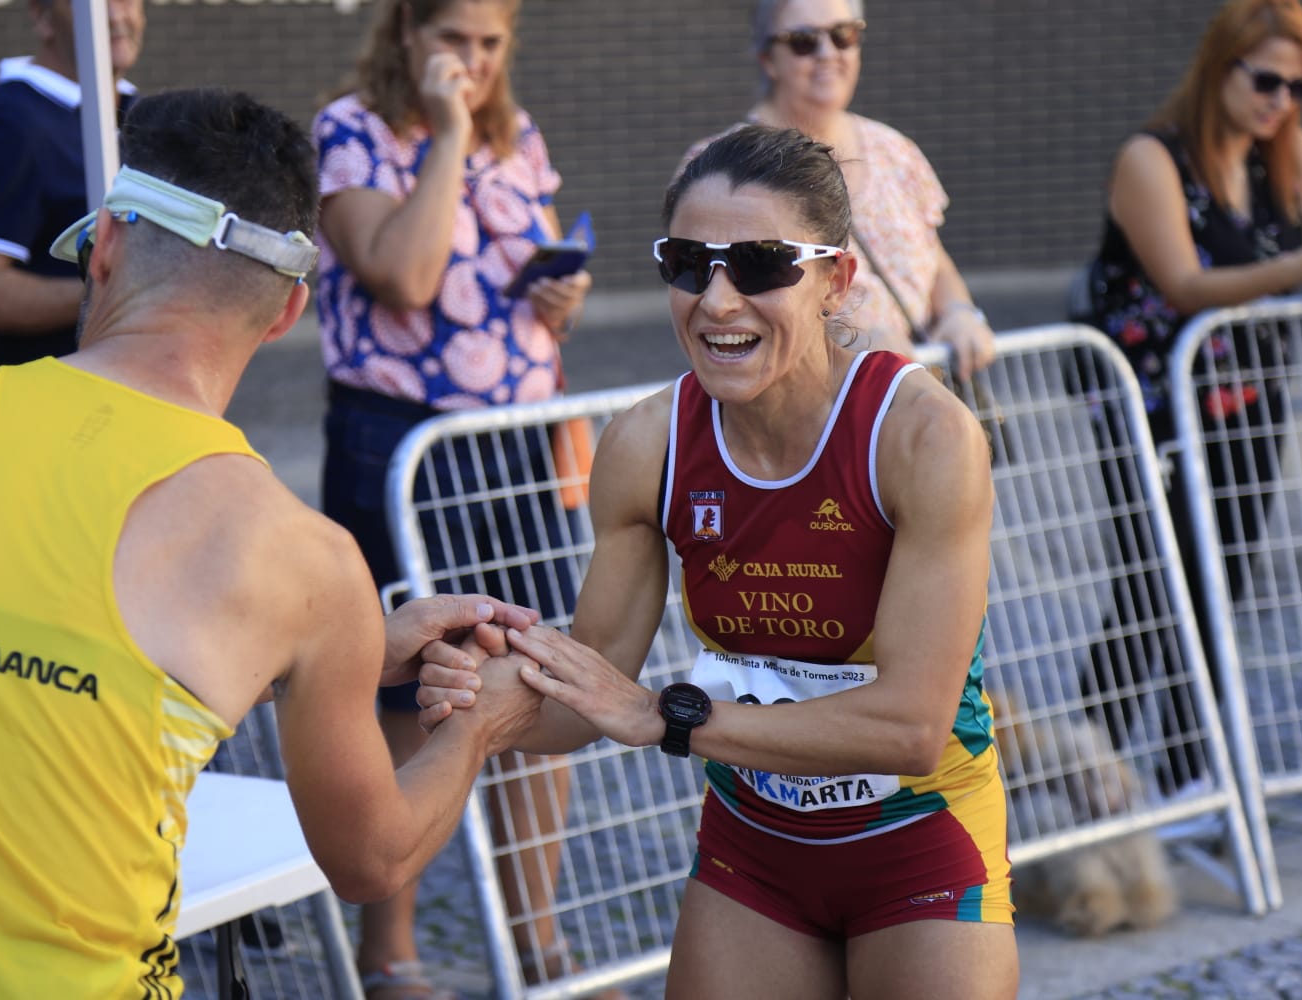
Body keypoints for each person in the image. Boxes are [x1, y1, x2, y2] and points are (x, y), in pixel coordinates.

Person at [0, 88, 546, 998]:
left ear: (108, 249)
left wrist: (341, 659)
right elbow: (373, 860)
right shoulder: (304, 562)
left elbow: (10, 662)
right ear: (287, 314)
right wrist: (483, 722)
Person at [421, 125, 1017, 1000]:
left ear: (834, 280)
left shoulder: (919, 435)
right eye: (690, 264)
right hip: (755, 847)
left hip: (918, 834)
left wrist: (668, 717)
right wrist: (470, 688)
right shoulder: (645, 443)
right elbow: (587, 703)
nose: (719, 300)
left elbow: (910, 729)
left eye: (764, 265)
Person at [312, 1, 597, 996]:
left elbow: (542, 277)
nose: (473, 63)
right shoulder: (352, 129)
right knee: (399, 684)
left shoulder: (521, 138)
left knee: (533, 671)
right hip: (399, 441)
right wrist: (450, 136)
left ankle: (538, 939)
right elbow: (404, 272)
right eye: (453, 41)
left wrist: (563, 299)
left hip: (515, 440)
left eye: (490, 45)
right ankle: (389, 950)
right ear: (405, 35)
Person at [1074, 0, 1302, 791]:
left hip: (1250, 392)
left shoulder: (1284, 155)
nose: (1281, 101)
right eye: (1266, 81)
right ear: (1221, 68)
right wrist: (1295, 272)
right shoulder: (1152, 157)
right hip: (1149, 396)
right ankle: (1092, 785)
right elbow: (1185, 284)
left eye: (1300, 87)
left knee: (1224, 586)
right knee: (1154, 582)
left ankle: (1193, 782)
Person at [680, 0, 995, 380]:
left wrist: (959, 313)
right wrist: (851, 343)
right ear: (768, 59)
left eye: (843, 35)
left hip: (916, 393)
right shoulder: (721, 166)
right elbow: (712, 292)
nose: (828, 54)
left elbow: (932, 257)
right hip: (814, 410)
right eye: (803, 41)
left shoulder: (893, 149)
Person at [0, 0, 145, 371]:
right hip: (51, 412)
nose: (116, 15)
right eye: (92, 5)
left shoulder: (142, 117)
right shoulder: (13, 127)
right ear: (41, 17)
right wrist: (124, 291)